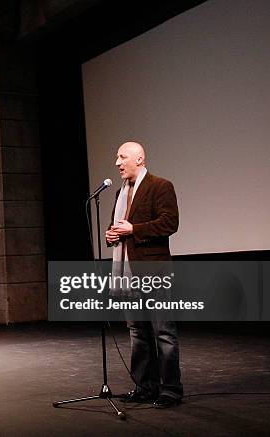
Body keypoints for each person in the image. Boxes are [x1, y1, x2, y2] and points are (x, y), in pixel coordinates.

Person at [105, 141, 183, 408]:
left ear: (139, 159)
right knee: (137, 332)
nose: (117, 162)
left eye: (122, 157)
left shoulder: (160, 186)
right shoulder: (120, 193)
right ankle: (145, 386)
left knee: (163, 332)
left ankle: (171, 389)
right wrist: (111, 233)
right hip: (127, 272)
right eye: (117, 157)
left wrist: (133, 230)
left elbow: (169, 223)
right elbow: (120, 226)